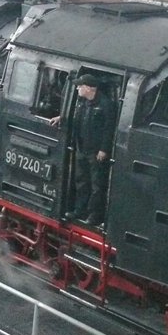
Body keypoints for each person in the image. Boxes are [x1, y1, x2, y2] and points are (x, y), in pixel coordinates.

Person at [50, 74, 116, 226]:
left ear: (89, 88)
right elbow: (76, 117)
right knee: (81, 181)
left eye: (80, 86)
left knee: (97, 185)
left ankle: (94, 215)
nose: (78, 88)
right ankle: (80, 210)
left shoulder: (106, 105)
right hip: (81, 148)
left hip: (96, 152)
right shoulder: (82, 102)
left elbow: (109, 129)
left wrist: (104, 149)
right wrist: (62, 117)